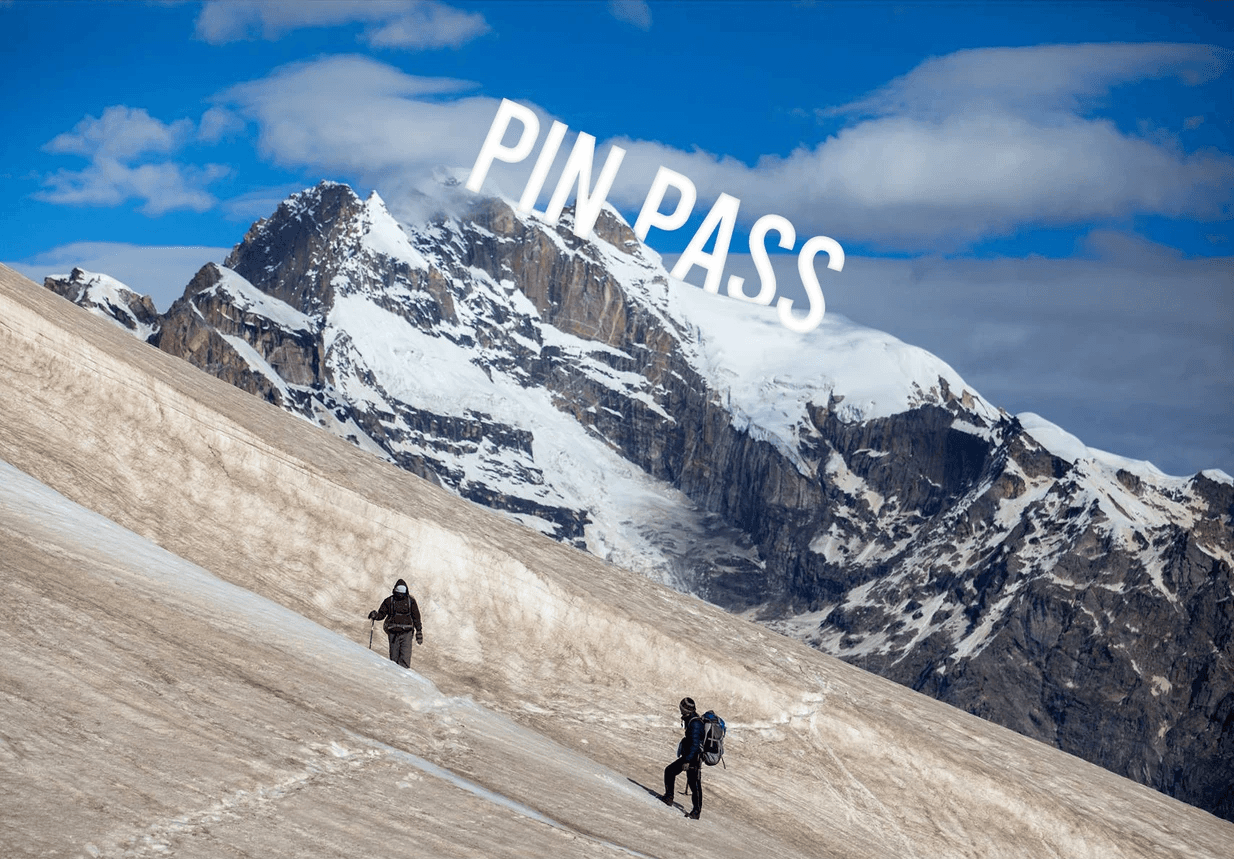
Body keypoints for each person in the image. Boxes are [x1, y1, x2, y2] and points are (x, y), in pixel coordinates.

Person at [661, 696, 705, 819]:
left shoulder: (695, 723)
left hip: (692, 758)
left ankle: (695, 812)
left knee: (694, 784)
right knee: (674, 773)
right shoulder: (692, 719)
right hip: (691, 756)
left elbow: (695, 745)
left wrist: (687, 760)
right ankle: (669, 797)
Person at [368, 578, 423, 668]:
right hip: (400, 633)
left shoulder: (392, 600)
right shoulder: (395, 601)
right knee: (398, 659)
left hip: (400, 633)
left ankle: (398, 674)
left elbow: (416, 616)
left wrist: (419, 631)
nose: (400, 594)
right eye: (399, 592)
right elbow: (416, 617)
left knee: (399, 659)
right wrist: (419, 631)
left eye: (402, 592)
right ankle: (398, 674)